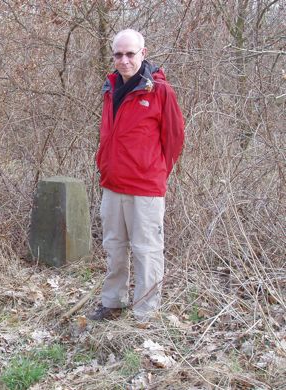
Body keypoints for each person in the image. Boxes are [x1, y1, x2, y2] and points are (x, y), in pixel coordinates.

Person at [88, 29, 185, 323]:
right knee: (114, 247)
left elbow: (175, 139)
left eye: (130, 54)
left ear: (143, 53)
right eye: (118, 54)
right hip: (112, 184)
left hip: (145, 187)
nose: (124, 60)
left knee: (147, 251)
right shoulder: (110, 87)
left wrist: (153, 170)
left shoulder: (160, 91)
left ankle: (145, 312)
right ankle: (113, 302)